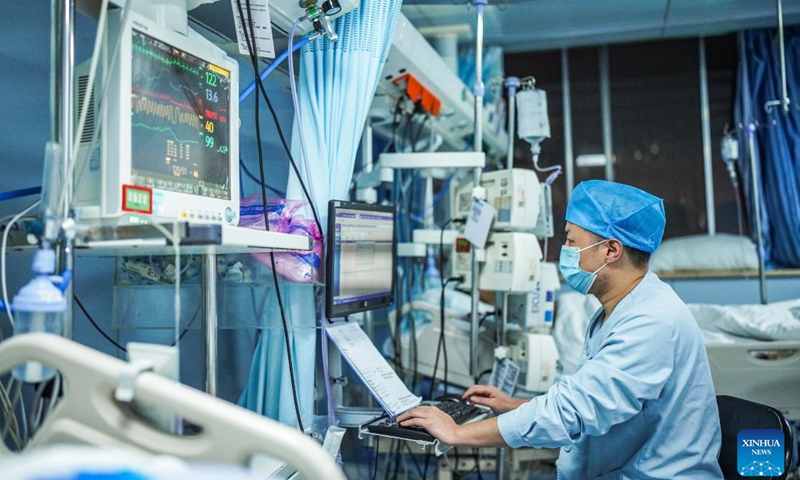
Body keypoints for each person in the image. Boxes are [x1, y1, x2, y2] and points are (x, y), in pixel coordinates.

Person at [397, 180, 723, 479]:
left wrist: (456, 433)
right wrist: (514, 405)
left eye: (570, 240)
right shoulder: (618, 311)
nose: (564, 251)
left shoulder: (650, 321)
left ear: (611, 250)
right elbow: (588, 399)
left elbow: (571, 412)